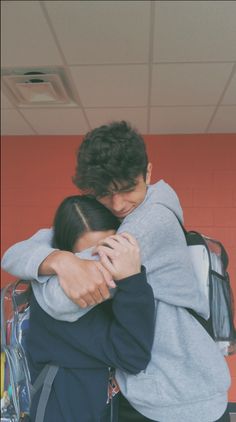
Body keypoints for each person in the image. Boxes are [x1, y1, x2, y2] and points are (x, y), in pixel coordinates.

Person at [2, 121, 231, 422]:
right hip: (149, 389)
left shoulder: (150, 224)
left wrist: (50, 270)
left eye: (128, 190)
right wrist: (62, 260)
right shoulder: (118, 211)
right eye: (105, 194)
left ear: (148, 173)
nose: (119, 205)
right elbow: (14, 254)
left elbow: (62, 301)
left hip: (182, 393)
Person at [26, 195, 155, 422]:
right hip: (61, 412)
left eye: (110, 248)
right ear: (69, 256)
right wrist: (133, 280)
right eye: (89, 257)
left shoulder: (104, 289)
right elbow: (133, 355)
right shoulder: (59, 300)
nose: (103, 264)